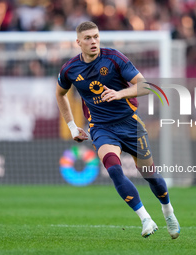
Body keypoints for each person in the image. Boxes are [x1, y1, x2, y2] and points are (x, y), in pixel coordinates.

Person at [56, 21, 180, 238]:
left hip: (130, 123)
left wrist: (119, 93)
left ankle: (167, 210)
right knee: (114, 169)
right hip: (101, 127)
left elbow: (146, 86)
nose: (93, 41)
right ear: (78, 42)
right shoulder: (70, 69)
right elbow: (60, 94)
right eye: (87, 38)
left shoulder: (114, 57)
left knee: (150, 175)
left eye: (96, 36)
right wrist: (72, 126)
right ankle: (145, 219)